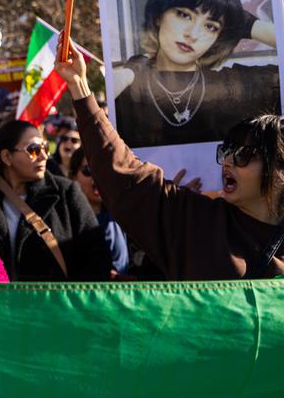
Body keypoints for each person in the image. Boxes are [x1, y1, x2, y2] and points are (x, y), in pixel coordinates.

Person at [58, 46, 284, 279]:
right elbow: (126, 176)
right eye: (226, 151)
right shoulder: (194, 220)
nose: (227, 161)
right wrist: (79, 87)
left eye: (243, 154)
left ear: (280, 169)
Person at [113, 0, 278, 147]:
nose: (193, 34)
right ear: (160, 14)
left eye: (211, 26)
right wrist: (130, 73)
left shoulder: (231, 87)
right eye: (184, 15)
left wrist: (248, 24)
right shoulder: (126, 82)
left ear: (217, 38)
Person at [0, 119, 111, 281]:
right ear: (6, 157)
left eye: (44, 147)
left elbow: (97, 257)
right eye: (33, 150)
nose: (43, 156)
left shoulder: (66, 192)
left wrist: (72, 302)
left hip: (58, 304)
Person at [68, 147, 129, 276]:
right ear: (73, 177)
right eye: (87, 171)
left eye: (104, 170)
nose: (96, 177)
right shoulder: (67, 221)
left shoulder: (120, 213)